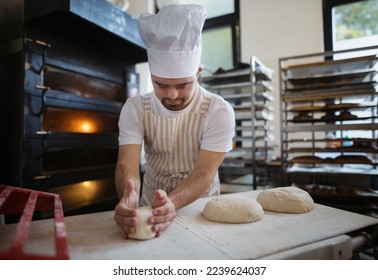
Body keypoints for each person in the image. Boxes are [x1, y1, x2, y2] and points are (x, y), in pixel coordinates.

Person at [113, 4, 235, 239]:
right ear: (152, 77)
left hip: (202, 210)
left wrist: (172, 202)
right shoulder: (135, 108)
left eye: (182, 85)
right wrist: (128, 196)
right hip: (149, 209)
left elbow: (204, 172)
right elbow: (126, 165)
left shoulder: (218, 110)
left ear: (198, 73)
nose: (171, 95)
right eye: (161, 85)